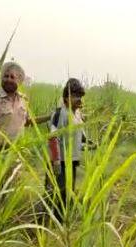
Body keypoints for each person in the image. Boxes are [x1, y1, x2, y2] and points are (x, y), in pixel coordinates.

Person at [0, 62, 50, 166]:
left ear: (19, 81)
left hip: (14, 155)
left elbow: (27, 121)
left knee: (13, 182)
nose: (8, 79)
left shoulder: (24, 100)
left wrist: (50, 116)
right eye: (6, 76)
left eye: (12, 77)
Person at [47, 78, 88, 221]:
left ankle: (63, 220)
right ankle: (52, 221)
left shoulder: (77, 113)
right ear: (66, 97)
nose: (79, 99)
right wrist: (56, 161)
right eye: (76, 96)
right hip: (61, 161)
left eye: (80, 96)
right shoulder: (60, 113)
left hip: (73, 160)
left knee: (68, 191)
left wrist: (88, 144)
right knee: (58, 192)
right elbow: (53, 137)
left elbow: (79, 135)